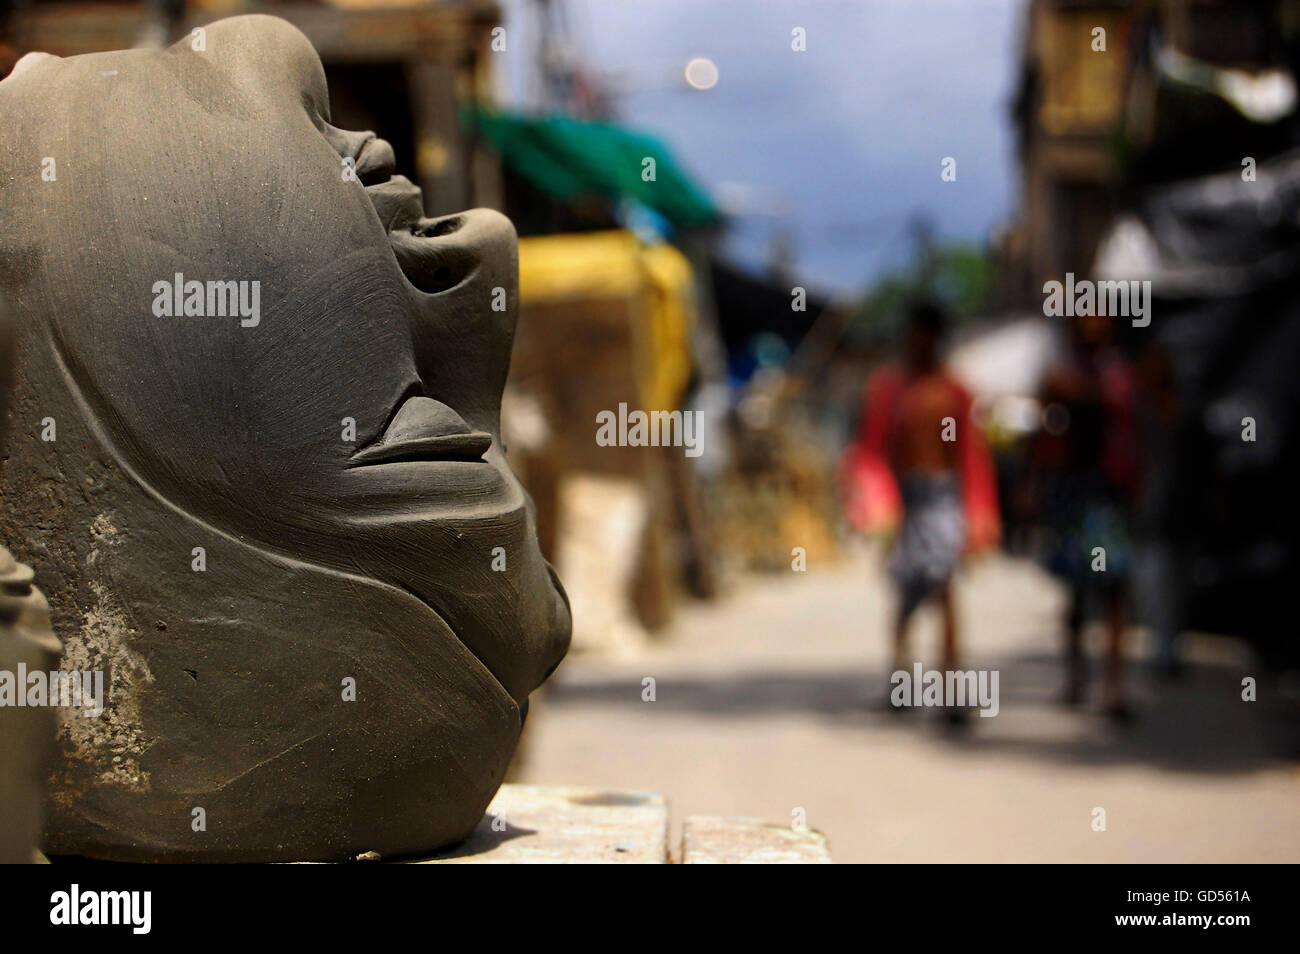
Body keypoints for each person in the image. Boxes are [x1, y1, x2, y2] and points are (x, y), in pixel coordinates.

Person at [843, 301, 1000, 716]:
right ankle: (901, 681)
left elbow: (971, 455)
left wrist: (981, 513)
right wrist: (868, 501)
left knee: (944, 585)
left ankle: (950, 688)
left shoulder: (955, 392)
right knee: (904, 593)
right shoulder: (890, 389)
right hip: (903, 501)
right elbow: (870, 449)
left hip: (942, 500)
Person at [1028, 314, 1140, 719]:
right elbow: (1044, 431)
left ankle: (1113, 687)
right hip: (1074, 496)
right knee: (1076, 594)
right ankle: (1077, 680)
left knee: (1113, 591)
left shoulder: (1118, 377)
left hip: (1108, 496)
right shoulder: (1062, 376)